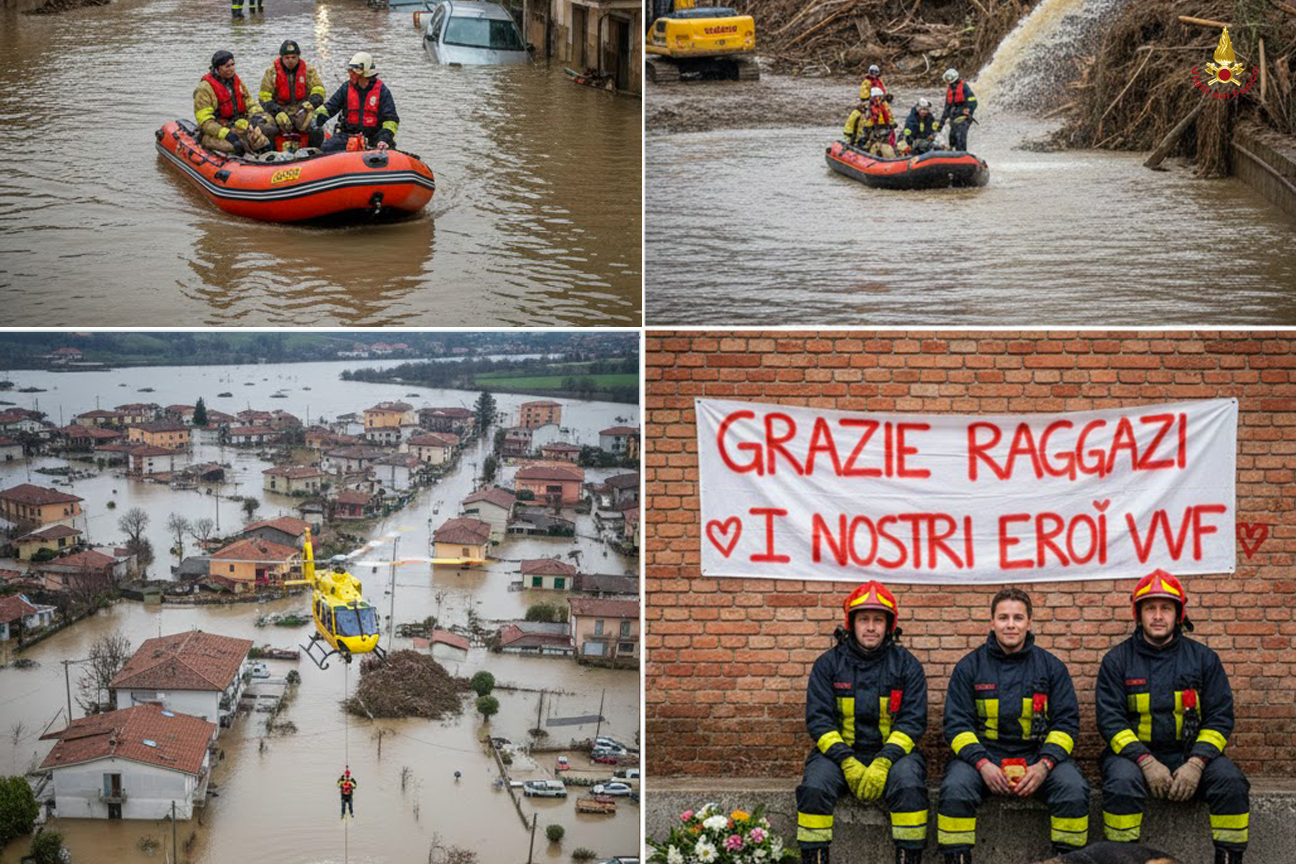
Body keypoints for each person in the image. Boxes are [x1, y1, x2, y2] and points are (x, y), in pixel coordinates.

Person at [1095, 570, 1250, 864]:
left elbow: (1219, 718)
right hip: (1132, 759)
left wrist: (1196, 763)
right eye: (1149, 608)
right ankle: (1121, 859)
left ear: (1179, 614)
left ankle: (1229, 859)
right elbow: (1111, 722)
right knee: (1121, 784)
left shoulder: (1204, 659)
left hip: (1190, 756)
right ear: (1138, 614)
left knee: (1231, 782)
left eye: (1165, 608)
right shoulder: (1117, 661)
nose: (1157, 615)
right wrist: (1146, 761)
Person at [938, 588, 1089, 864]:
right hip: (982, 759)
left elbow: (1066, 724)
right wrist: (982, 763)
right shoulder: (968, 668)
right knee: (956, 788)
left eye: (1018, 618)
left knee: (1073, 788)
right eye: (1003, 617)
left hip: (1037, 757)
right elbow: (957, 726)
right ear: (991, 622)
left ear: (1029, 623)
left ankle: (1068, 860)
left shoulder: (1052, 667)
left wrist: (1044, 766)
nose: (1010, 624)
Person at [796, 582, 929, 864]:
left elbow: (912, 722)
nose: (871, 627)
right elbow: (819, 720)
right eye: (864, 619)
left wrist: (884, 761)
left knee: (910, 787)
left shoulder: (908, 666)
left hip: (894, 757)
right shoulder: (827, 665)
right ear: (851, 624)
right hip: (838, 757)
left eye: (878, 620)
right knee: (814, 788)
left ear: (889, 625)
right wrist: (846, 760)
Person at [314, 52, 400, 154]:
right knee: (325, 149)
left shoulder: (382, 91)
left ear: (364, 74)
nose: (350, 74)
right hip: (347, 136)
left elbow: (391, 119)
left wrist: (384, 139)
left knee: (388, 152)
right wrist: (313, 119)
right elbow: (329, 108)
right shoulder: (346, 88)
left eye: (354, 72)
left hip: (374, 138)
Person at [194, 50, 273, 156]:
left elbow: (249, 102)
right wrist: (226, 134)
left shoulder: (236, 81)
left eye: (233, 65)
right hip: (216, 132)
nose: (231, 69)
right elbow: (205, 122)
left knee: (262, 141)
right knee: (235, 146)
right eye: (227, 66)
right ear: (218, 68)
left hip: (238, 126)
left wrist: (255, 116)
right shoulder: (204, 89)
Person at [259, 40, 327, 149]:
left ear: (298, 57)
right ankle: (271, 155)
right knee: (266, 128)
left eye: (293, 57)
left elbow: (319, 89)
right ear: (281, 57)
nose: (290, 61)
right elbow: (264, 97)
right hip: (279, 110)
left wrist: (312, 103)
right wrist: (277, 112)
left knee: (316, 129)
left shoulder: (308, 71)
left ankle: (313, 153)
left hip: (301, 110)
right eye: (287, 58)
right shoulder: (271, 72)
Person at [939, 68, 977, 151]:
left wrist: (968, 110)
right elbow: (947, 108)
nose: (948, 83)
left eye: (949, 81)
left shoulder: (964, 88)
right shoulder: (950, 90)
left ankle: (962, 154)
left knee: (960, 136)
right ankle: (952, 154)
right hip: (954, 116)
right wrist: (940, 125)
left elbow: (973, 102)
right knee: (952, 138)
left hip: (964, 117)